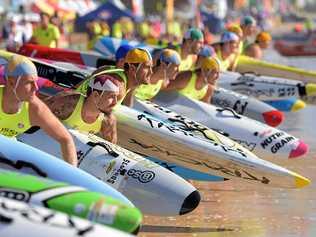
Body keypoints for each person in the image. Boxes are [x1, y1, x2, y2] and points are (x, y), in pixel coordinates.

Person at [1, 55, 77, 166]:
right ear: (12, 82)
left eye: (36, 82)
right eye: (29, 82)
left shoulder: (35, 109)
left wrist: (72, 173)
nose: (36, 88)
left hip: (8, 152)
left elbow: (66, 140)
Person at [45, 70, 121, 144]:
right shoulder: (68, 102)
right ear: (95, 95)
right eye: (111, 96)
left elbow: (110, 150)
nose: (115, 102)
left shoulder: (108, 120)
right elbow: (35, 111)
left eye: (117, 97)